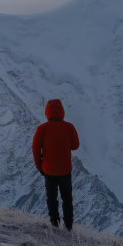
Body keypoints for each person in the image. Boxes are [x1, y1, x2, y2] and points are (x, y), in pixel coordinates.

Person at [32, 98, 80, 231]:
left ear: (47, 112)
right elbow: (76, 145)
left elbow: (35, 149)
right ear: (62, 111)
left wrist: (39, 166)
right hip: (65, 170)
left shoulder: (42, 129)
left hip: (49, 170)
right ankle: (68, 226)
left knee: (51, 198)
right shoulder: (69, 127)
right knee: (67, 198)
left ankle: (54, 223)